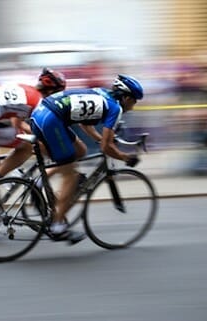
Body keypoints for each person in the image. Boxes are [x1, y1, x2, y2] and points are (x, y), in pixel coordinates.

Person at [30, 74, 144, 243]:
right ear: (126, 97)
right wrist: (125, 157)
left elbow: (85, 122)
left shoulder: (101, 93)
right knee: (71, 175)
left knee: (80, 150)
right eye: (134, 102)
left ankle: (41, 179)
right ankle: (57, 227)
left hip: (41, 113)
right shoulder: (116, 108)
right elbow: (107, 147)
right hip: (51, 120)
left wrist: (99, 139)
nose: (133, 107)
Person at [0, 68, 66, 182]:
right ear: (52, 92)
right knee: (27, 148)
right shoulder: (39, 102)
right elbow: (42, 129)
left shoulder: (25, 89)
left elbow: (17, 123)